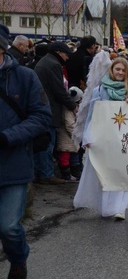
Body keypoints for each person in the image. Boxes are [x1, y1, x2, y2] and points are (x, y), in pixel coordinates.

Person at [0, 23, 52, 279]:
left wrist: (9, 136)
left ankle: (18, 260)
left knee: (8, 226)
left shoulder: (24, 77)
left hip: (13, 164)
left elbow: (42, 117)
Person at [74, 57, 128, 220]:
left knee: (126, 173)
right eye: (117, 69)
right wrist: (88, 136)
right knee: (108, 174)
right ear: (111, 70)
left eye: (123, 70)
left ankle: (121, 208)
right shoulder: (100, 90)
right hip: (106, 138)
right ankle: (108, 207)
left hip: (127, 138)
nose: (120, 72)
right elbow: (92, 114)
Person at [33, 41, 76, 185]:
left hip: (42, 107)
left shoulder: (46, 61)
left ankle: (40, 172)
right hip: (49, 109)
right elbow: (58, 90)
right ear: (59, 52)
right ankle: (46, 174)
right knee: (48, 144)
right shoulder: (53, 65)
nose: (67, 58)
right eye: (66, 54)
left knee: (43, 143)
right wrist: (71, 105)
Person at [55, 86, 83, 182]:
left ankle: (76, 173)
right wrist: (77, 133)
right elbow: (69, 124)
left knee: (74, 154)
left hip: (71, 138)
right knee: (65, 155)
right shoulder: (68, 110)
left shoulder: (71, 109)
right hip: (67, 137)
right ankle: (66, 174)